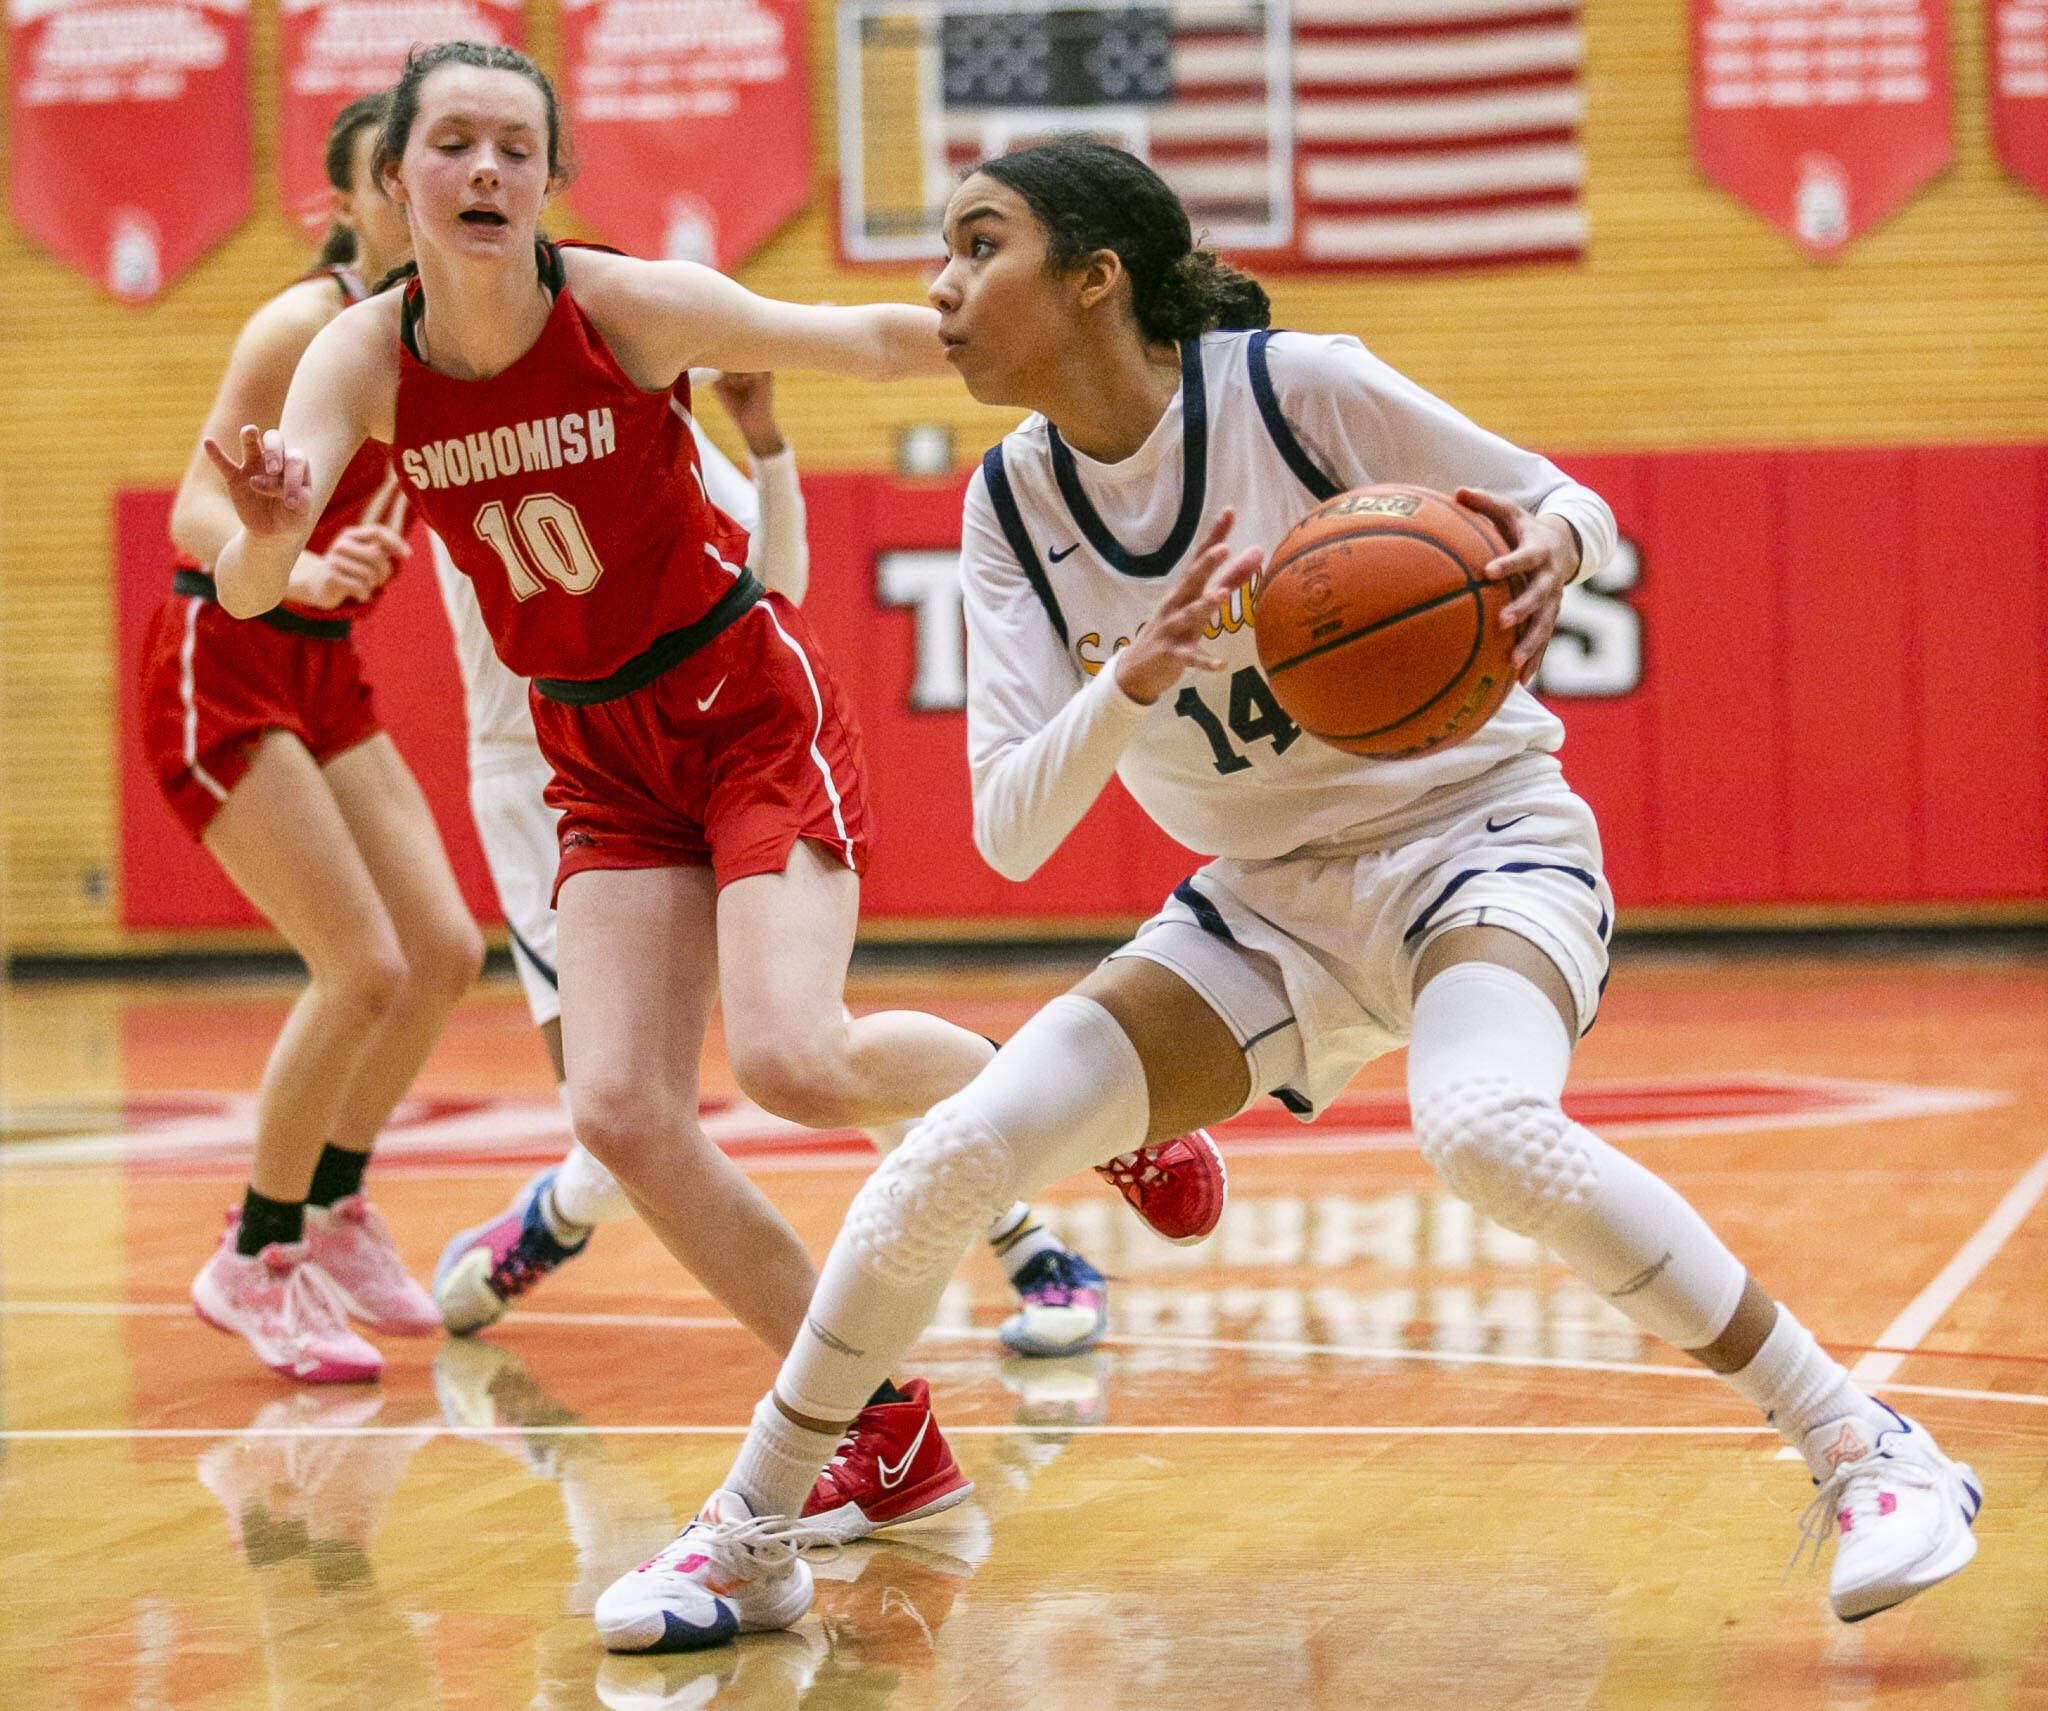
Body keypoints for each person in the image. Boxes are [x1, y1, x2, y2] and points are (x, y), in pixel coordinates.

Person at [597, 139, 1984, 1650]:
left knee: (1483, 1126)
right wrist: (1131, 675)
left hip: (1477, 834)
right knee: (951, 1153)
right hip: (1255, 904)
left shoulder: (1292, 389)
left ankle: (1866, 1441)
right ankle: (749, 1531)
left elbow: (1557, 497)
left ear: (1092, 279)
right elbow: (1009, 827)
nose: (938, 283)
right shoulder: (1010, 502)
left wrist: (1548, 550)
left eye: (977, 245)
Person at [201, 49, 1222, 1547]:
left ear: (551, 179)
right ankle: (882, 1427)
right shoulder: (358, 355)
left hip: (738, 704)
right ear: (396, 182)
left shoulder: (619, 306)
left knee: (801, 1058)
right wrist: (273, 540)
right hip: (594, 754)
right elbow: (241, 586)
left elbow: (854, 340)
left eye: (515, 147)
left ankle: (1082, 1096)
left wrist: (1055, 337)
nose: (485, 170)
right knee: (618, 1110)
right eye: (454, 146)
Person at [429, 367, 1123, 1361]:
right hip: (545, 771)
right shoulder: (420, 396)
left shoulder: (624, 415)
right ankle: (560, 1216)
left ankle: (1024, 1241)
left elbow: (774, 582)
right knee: (617, 1104)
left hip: (701, 732)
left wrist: (768, 445)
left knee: (807, 1050)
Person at [139, 91, 482, 1384]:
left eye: (443, 164)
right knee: (360, 967)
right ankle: (256, 1252)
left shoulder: (452, 329)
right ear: (347, 201)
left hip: (323, 663)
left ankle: (333, 1204)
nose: (424, 191)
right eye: (393, 177)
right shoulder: (302, 320)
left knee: (441, 951)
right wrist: (287, 563)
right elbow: (189, 508)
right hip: (218, 651)